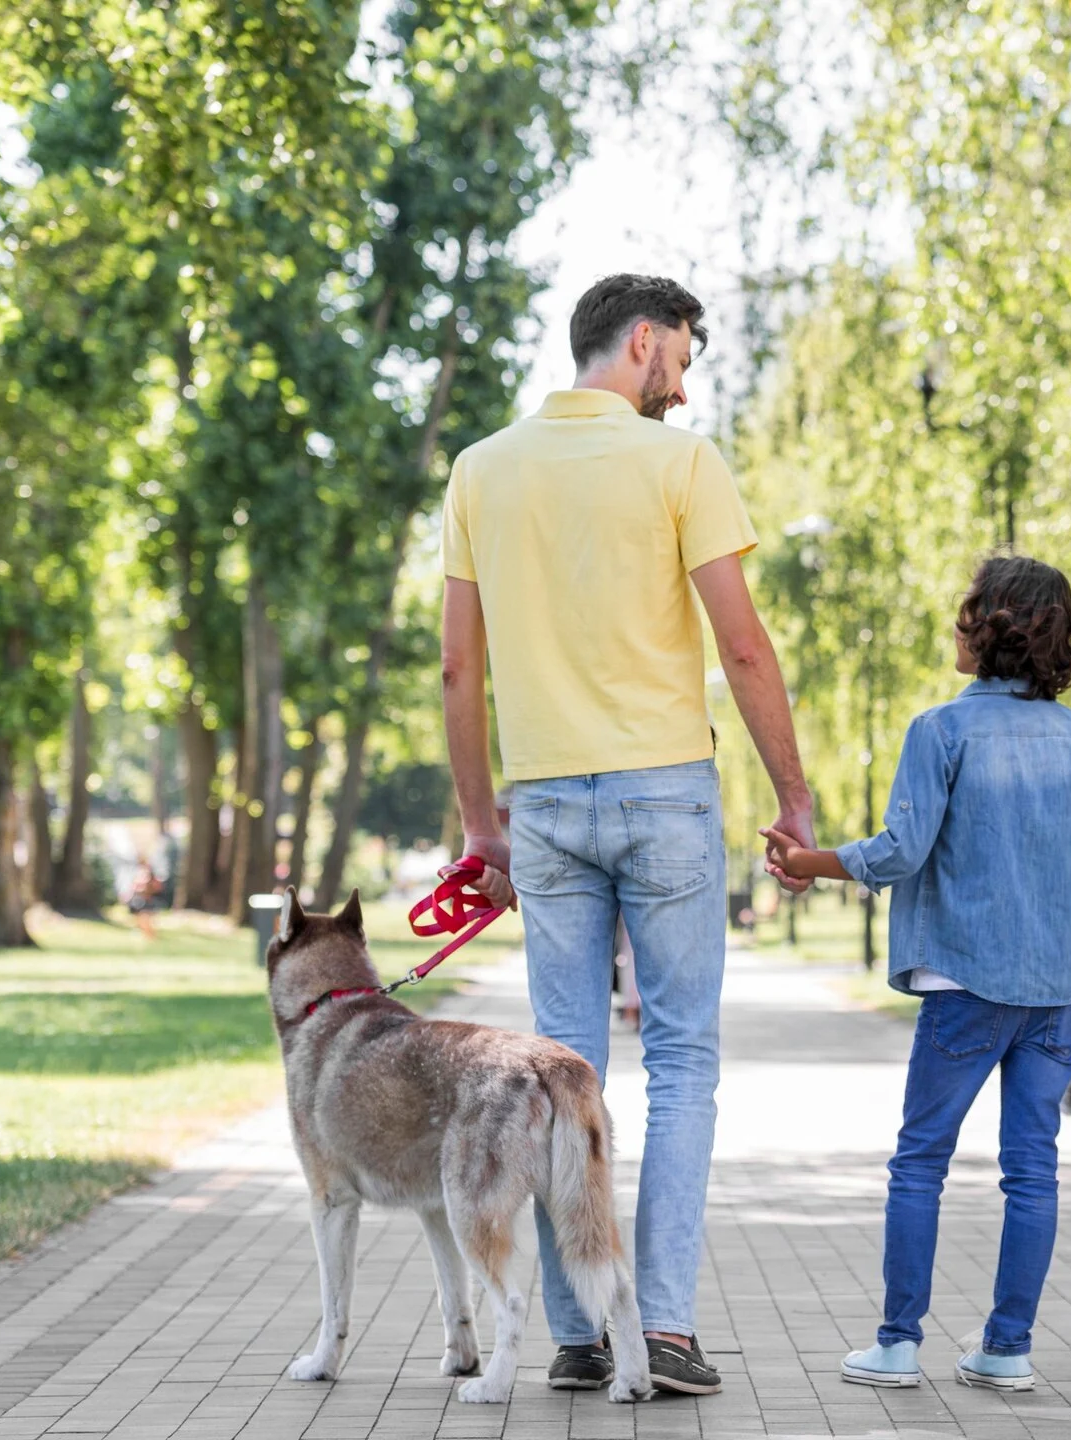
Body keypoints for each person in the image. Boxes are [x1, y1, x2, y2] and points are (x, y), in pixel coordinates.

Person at [439, 274, 815, 1398]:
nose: (685, 383)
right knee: (686, 1060)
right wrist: (793, 797)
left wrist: (478, 826)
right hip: (666, 798)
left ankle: (575, 1332)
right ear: (642, 342)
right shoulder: (681, 465)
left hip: (543, 804)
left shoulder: (481, 470)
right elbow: (743, 649)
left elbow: (462, 666)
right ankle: (665, 1327)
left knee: (561, 1066)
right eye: (684, 357)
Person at [762, 555, 1071, 1393]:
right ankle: (1008, 1348)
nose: (956, 625)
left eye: (965, 611)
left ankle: (898, 1343)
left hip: (964, 986)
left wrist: (810, 862)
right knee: (1030, 1167)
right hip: (1055, 992)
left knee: (921, 1160)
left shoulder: (941, 731)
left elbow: (900, 852)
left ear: (990, 626)